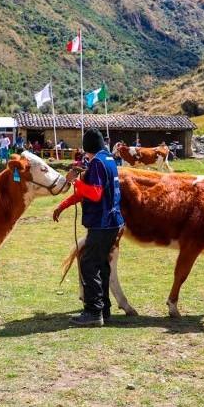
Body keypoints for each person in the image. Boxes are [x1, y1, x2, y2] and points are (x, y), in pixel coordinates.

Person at [53, 129, 124, 326]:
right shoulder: (109, 160)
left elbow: (95, 193)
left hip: (101, 223)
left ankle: (93, 312)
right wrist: (64, 205)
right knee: (101, 265)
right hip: (113, 222)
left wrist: (75, 181)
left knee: (88, 264)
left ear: (87, 147)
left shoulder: (97, 163)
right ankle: (104, 309)